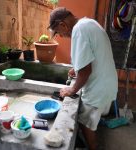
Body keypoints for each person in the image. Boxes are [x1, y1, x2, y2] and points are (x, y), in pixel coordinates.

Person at [48, 7, 118, 150]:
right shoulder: (88, 23)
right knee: (89, 121)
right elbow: (91, 57)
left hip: (98, 88)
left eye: (58, 32)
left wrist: (72, 89)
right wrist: (77, 68)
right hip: (107, 83)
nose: (60, 36)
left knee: (85, 123)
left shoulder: (78, 30)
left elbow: (86, 70)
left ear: (63, 25)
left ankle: (93, 148)